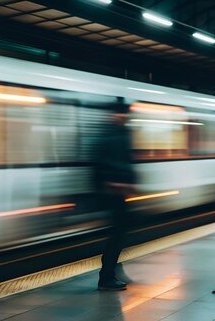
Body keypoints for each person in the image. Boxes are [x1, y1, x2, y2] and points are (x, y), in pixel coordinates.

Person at [93, 101, 136, 290]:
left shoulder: (122, 134)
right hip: (112, 194)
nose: (123, 117)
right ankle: (106, 277)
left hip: (120, 193)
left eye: (125, 114)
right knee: (116, 235)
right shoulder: (109, 137)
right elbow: (103, 167)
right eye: (120, 114)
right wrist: (116, 184)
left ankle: (112, 270)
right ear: (113, 115)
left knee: (118, 235)